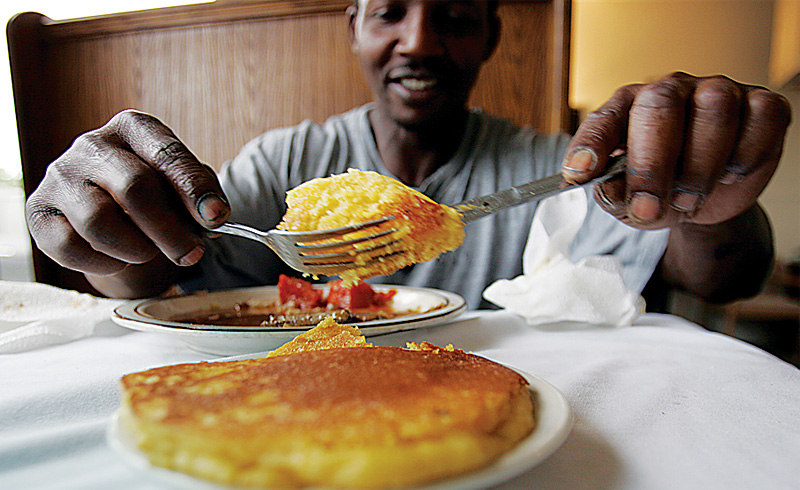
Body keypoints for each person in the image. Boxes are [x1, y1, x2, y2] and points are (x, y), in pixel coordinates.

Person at [25, 0, 791, 310]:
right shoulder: (283, 163)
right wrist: (114, 240)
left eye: (454, 15)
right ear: (354, 27)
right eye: (390, 11)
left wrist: (703, 202)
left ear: (489, 37)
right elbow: (173, 283)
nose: (419, 41)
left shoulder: (565, 171)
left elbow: (723, 274)